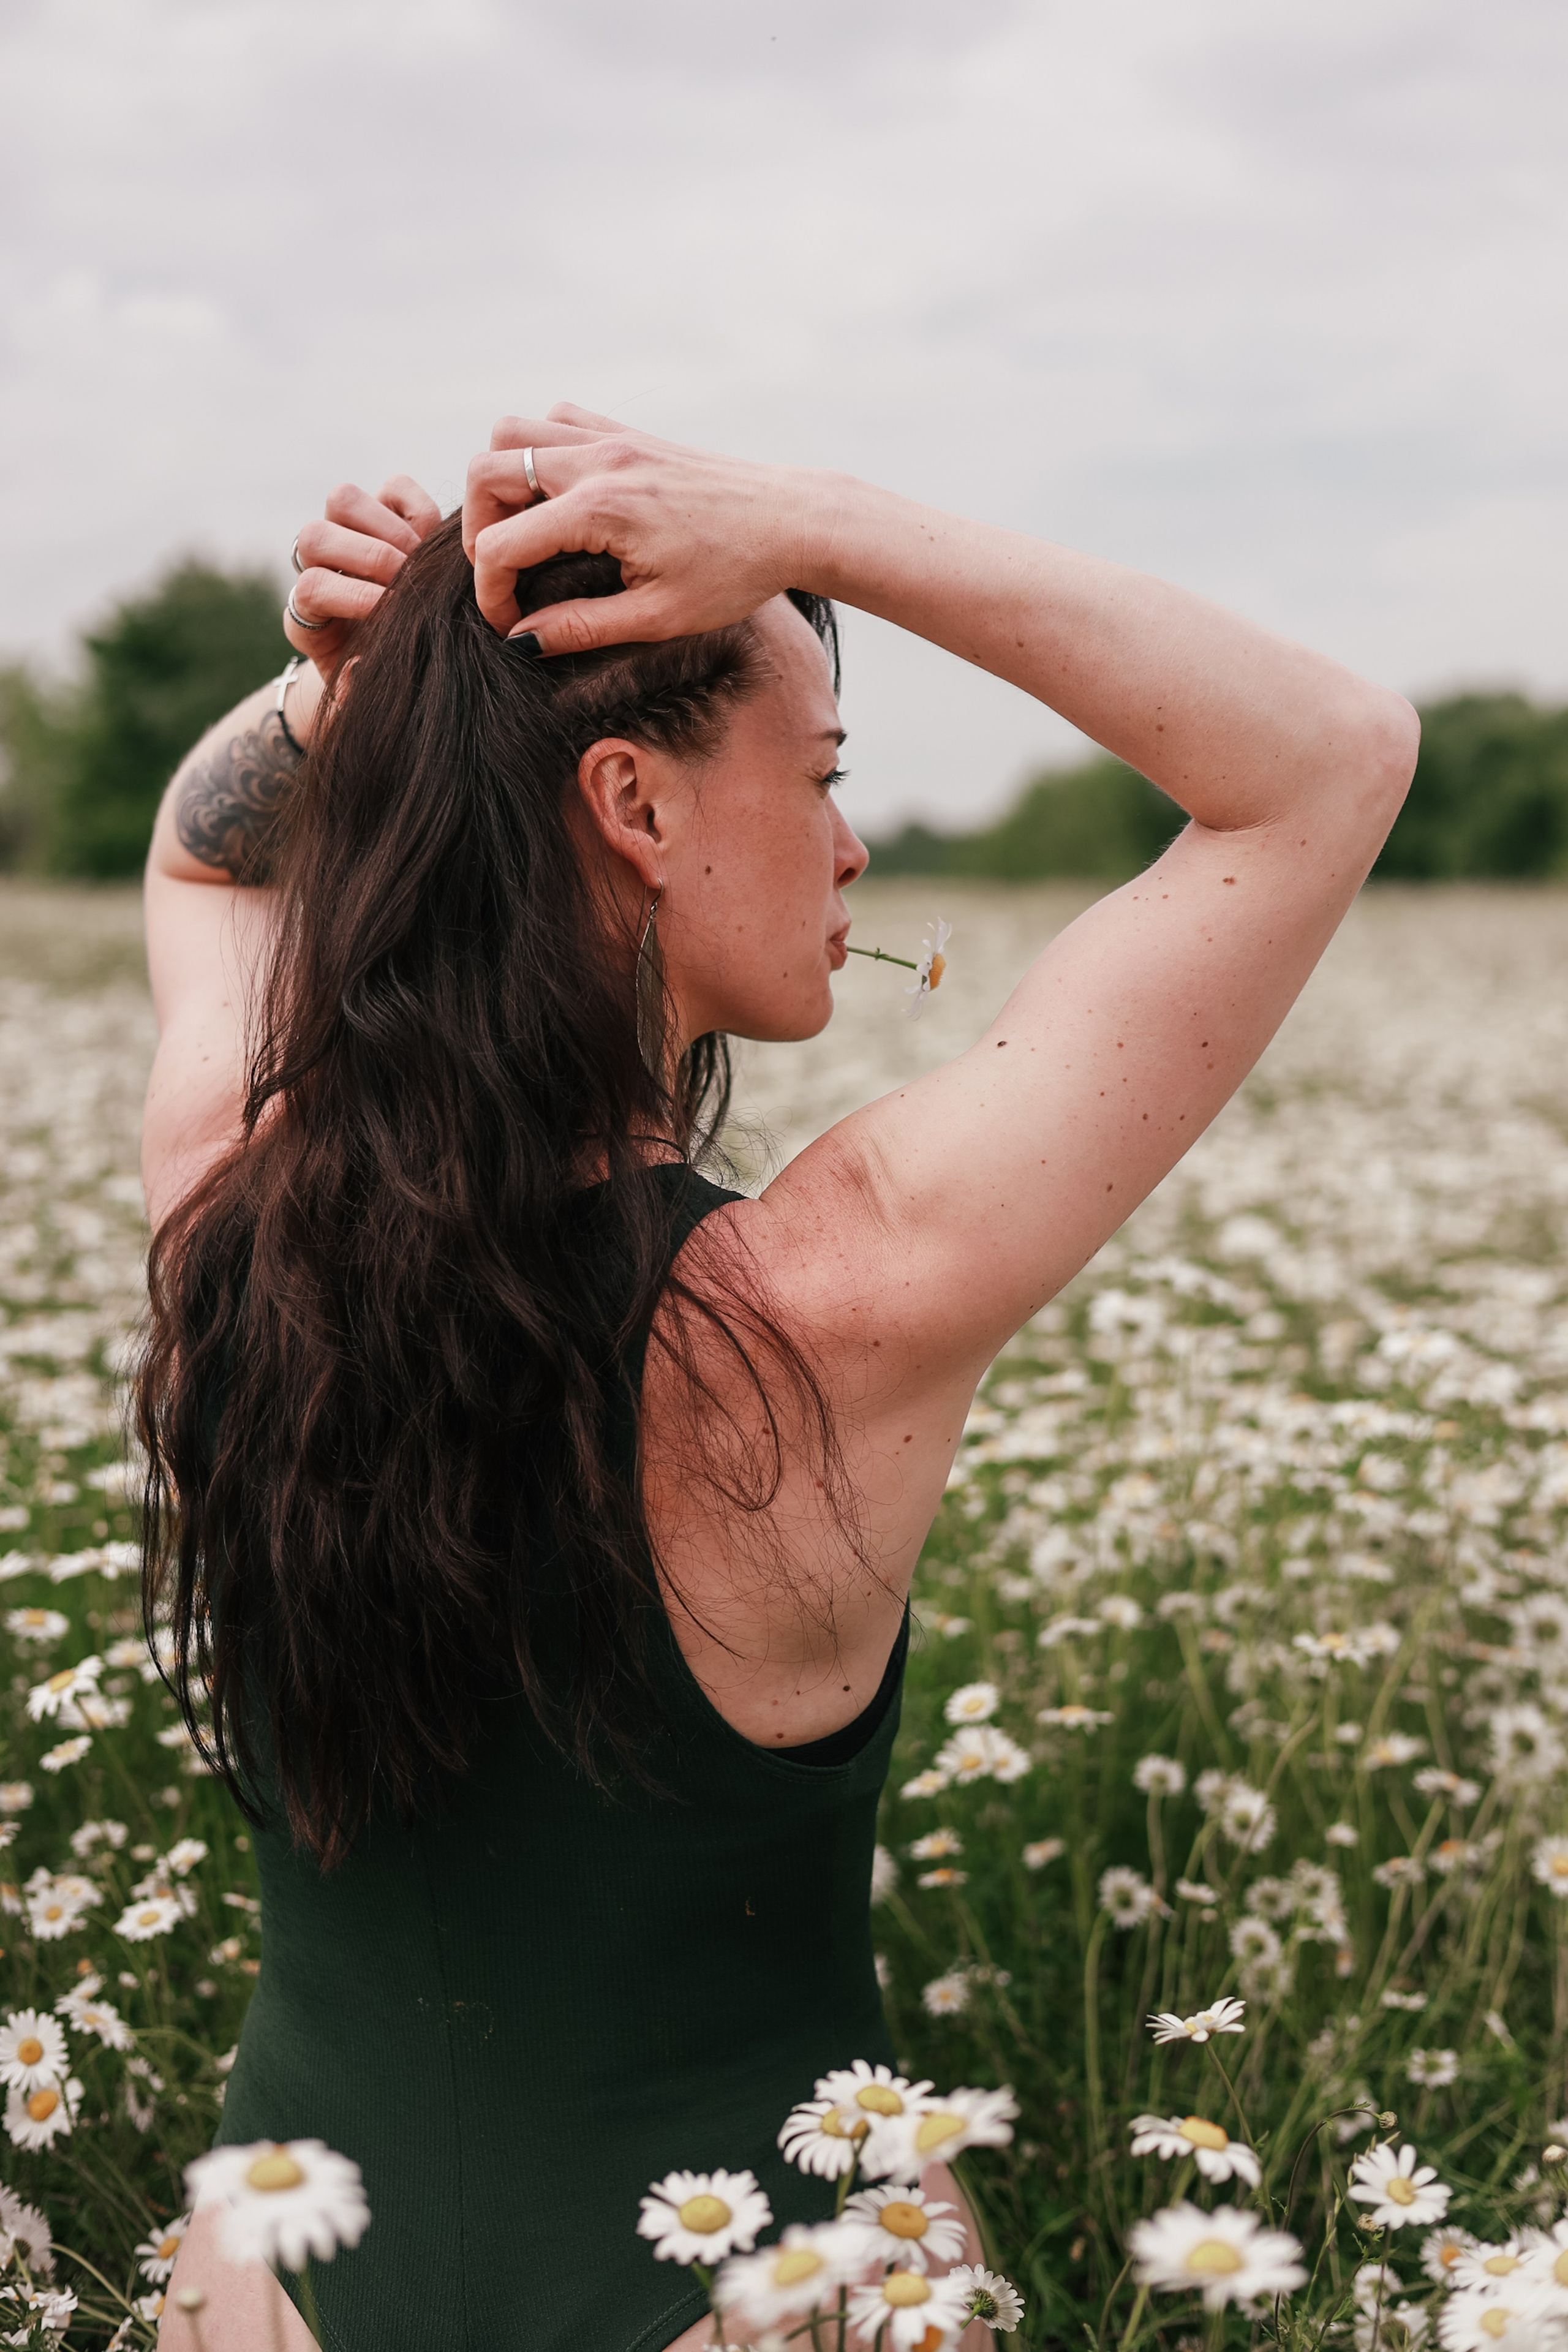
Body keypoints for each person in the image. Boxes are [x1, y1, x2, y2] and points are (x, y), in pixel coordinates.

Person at [140, 405, 1417, 2351]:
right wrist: (811, 523)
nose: (853, 840)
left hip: (272, 2285)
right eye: (819, 771)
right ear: (639, 811)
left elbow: (205, 859)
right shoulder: (823, 1302)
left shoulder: (225, 1214)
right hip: (771, 2293)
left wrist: (386, 679)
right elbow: (1326, 758)